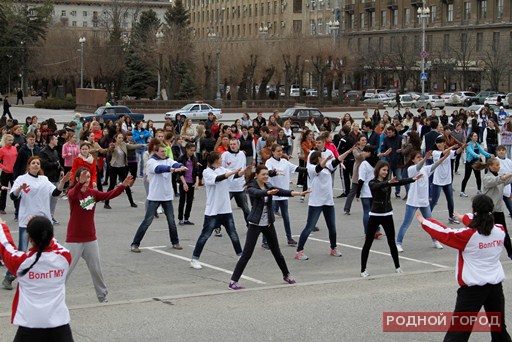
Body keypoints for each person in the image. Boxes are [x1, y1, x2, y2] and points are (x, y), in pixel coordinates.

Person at [416, 195, 512, 341]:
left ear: (474, 210)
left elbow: (444, 233)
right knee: (498, 329)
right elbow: (479, 222)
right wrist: (463, 218)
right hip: (495, 288)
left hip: (473, 290)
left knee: (458, 333)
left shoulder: (468, 236)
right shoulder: (500, 230)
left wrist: (425, 221)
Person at [228, 165, 310, 290]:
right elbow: (257, 193)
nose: (266, 176)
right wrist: (267, 192)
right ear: (257, 176)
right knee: (247, 254)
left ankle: (286, 275)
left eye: (267, 174)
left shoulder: (269, 185)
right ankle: (233, 281)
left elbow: (282, 191)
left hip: (268, 224)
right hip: (255, 224)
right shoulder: (251, 187)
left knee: (277, 252)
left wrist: (299, 193)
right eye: (263, 174)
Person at [0, 216, 74, 341]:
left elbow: (6, 246)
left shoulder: (20, 262)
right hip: (60, 328)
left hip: (30, 326)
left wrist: (2, 227)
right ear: (51, 235)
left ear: (30, 239)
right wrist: (43, 229)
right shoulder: (65, 257)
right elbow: (53, 243)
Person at [66, 168, 134, 303]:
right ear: (78, 178)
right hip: (74, 239)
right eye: (84, 176)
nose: (87, 178)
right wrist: (80, 184)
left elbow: (109, 194)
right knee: (65, 269)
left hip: (90, 238)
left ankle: (102, 296)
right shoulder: (73, 194)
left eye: (89, 176)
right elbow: (73, 194)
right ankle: (55, 295)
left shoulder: (93, 194)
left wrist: (122, 186)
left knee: (96, 269)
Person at [3, 157, 71, 290]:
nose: (35, 165)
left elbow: (55, 193)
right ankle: (9, 277)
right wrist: (19, 190)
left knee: (46, 249)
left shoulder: (44, 180)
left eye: (37, 164)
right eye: (33, 163)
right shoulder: (21, 179)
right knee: (22, 251)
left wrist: (62, 182)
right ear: (28, 166)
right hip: (27, 221)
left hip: (44, 221)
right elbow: (13, 196)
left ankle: (43, 276)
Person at [360, 160, 421, 278]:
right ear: (378, 170)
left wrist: (413, 179)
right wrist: (388, 182)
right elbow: (378, 186)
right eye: (383, 170)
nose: (385, 172)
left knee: (391, 242)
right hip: (375, 215)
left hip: (388, 214)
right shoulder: (372, 182)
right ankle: (363, 269)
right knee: (368, 243)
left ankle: (397, 267)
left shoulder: (389, 182)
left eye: (387, 170)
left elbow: (400, 182)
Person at [190, 152, 245, 270]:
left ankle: (240, 256)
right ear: (215, 160)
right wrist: (233, 172)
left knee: (233, 234)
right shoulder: (207, 172)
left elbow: (232, 176)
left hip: (225, 209)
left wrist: (241, 173)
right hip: (213, 211)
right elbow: (219, 178)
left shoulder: (222, 169)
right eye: (220, 158)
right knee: (205, 235)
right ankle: (194, 259)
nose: (221, 160)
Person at [130, 144, 187, 252]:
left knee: (171, 220)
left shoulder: (168, 159)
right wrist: (173, 170)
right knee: (147, 221)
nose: (164, 153)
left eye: (164, 151)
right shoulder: (151, 162)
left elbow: (175, 163)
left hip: (167, 196)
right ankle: (135, 244)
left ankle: (175, 242)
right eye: (161, 151)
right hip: (155, 196)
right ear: (156, 152)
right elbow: (159, 169)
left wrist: (181, 166)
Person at [396, 148, 453, 252]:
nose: (420, 159)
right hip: (413, 201)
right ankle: (398, 243)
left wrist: (444, 157)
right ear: (413, 160)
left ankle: (435, 240)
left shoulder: (426, 169)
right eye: (418, 157)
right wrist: (425, 158)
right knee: (406, 223)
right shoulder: (411, 169)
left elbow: (435, 165)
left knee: (430, 222)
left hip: (424, 201)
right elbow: (418, 166)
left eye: (421, 157)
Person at [294, 151, 343, 260]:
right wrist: (325, 160)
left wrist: (349, 151)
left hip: (328, 202)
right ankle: (299, 251)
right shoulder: (311, 168)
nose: (324, 158)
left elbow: (337, 160)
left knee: (332, 227)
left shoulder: (327, 167)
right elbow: (318, 168)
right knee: (309, 227)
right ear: (318, 158)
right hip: (316, 203)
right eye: (322, 156)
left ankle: (333, 248)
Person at [473, 157, 512, 259]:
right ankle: (479, 253)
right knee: (483, 232)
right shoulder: (487, 178)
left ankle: (510, 253)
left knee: (504, 232)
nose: (499, 167)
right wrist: (508, 175)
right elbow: (498, 180)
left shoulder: (499, 176)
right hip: (486, 211)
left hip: (498, 210)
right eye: (497, 165)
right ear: (490, 167)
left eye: (499, 165)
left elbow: (506, 179)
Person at [430, 136, 466, 224]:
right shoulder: (435, 153)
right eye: (438, 143)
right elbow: (443, 154)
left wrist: (462, 147)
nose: (439, 144)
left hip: (447, 180)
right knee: (434, 200)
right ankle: (427, 216)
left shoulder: (449, 152)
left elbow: (456, 153)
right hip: (437, 181)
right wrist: (450, 148)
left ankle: (451, 216)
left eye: (441, 143)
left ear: (444, 143)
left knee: (450, 199)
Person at [460, 131, 492, 197]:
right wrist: (477, 155)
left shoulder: (477, 144)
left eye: (476, 136)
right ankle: (462, 191)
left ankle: (479, 190)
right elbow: (471, 152)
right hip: (469, 162)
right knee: (466, 177)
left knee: (478, 177)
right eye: (474, 136)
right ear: (471, 137)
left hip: (476, 162)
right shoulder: (468, 144)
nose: (476, 137)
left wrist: (489, 155)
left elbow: (482, 151)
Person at [177, 143, 199, 225]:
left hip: (191, 182)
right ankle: (180, 218)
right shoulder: (182, 158)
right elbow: (179, 172)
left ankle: (186, 218)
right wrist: (184, 183)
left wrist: (196, 182)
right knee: (182, 201)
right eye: (191, 150)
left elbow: (197, 171)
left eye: (193, 151)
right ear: (187, 149)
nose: (192, 152)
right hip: (184, 181)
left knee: (190, 201)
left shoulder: (194, 159)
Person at [0, 134, 17, 215]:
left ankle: (17, 207)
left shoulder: (14, 148)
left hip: (13, 172)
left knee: (15, 190)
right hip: (5, 172)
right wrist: (3, 167)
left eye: (12, 140)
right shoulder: (2, 150)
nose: (11, 142)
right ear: (5, 141)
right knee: (3, 190)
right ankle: (2, 208)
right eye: (9, 140)